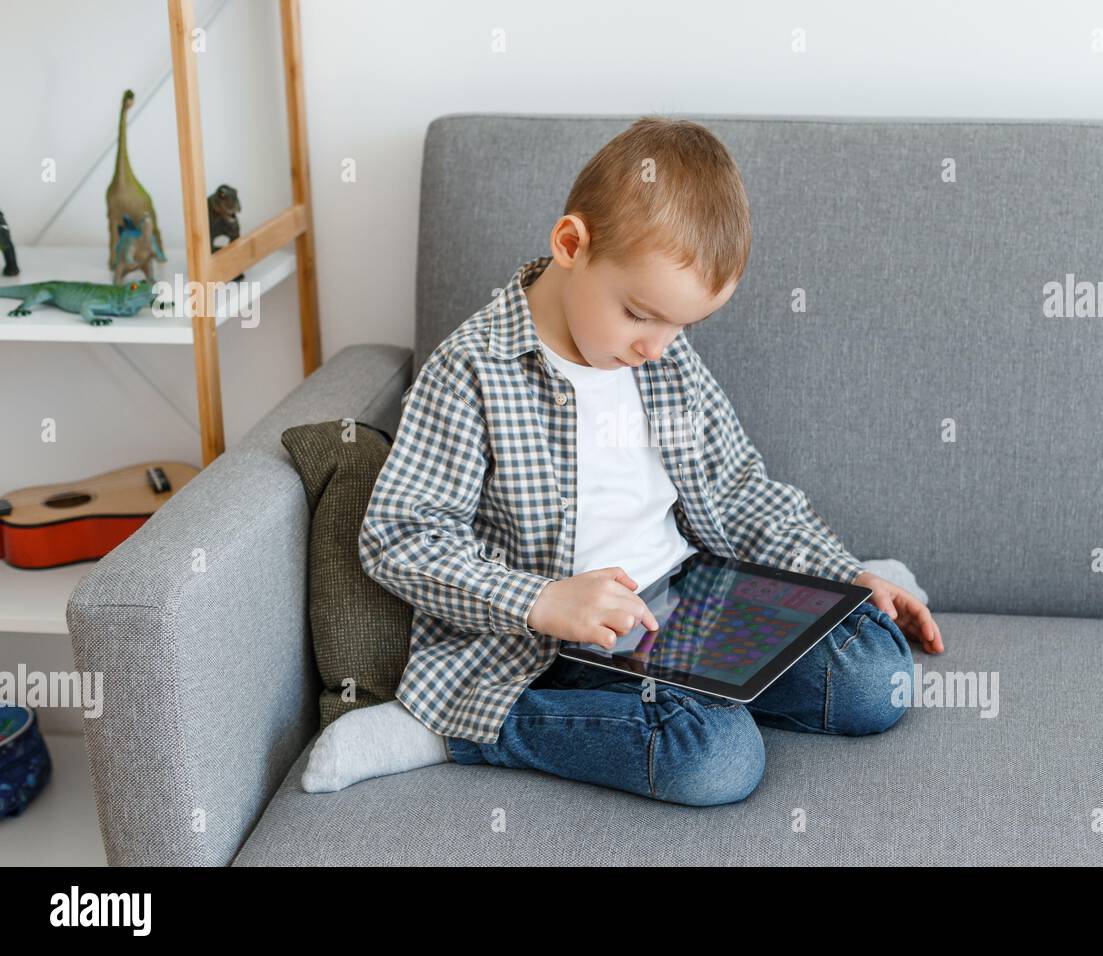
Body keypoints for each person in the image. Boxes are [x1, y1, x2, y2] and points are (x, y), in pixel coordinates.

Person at [302, 116, 943, 805]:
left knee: (878, 675)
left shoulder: (662, 362)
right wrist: (544, 601)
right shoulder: (471, 370)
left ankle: (745, 665)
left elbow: (734, 489)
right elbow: (403, 537)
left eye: (682, 326)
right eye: (641, 315)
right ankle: (460, 730)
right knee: (716, 756)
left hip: (686, 595)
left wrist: (836, 575)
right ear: (572, 243)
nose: (659, 347)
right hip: (551, 647)